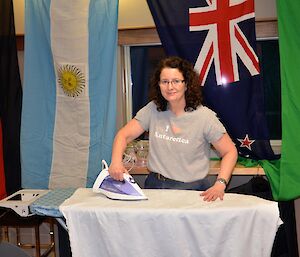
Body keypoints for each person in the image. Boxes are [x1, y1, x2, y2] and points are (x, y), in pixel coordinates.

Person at [109, 56, 237, 201]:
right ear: (159, 85)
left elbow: (230, 151)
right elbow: (123, 135)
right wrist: (116, 162)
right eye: (165, 82)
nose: (170, 87)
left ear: (187, 84)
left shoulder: (205, 117)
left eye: (176, 81)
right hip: (155, 186)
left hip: (193, 191)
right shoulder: (152, 109)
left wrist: (220, 184)